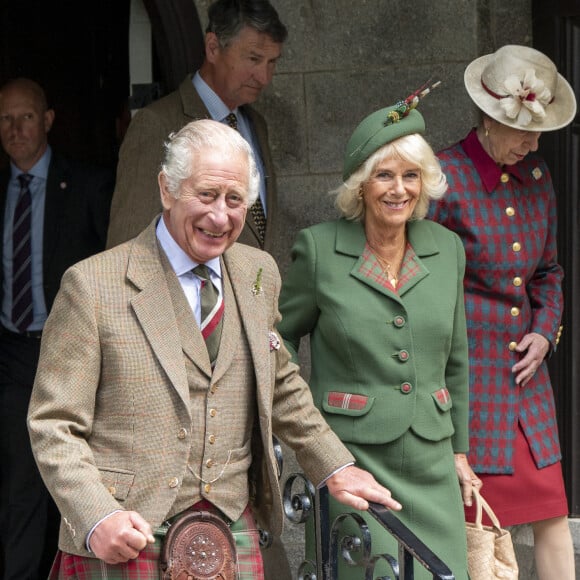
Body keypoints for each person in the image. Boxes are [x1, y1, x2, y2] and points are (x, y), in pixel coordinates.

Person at [27, 119, 402, 580]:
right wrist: (95, 516)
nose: (221, 217)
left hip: (230, 526)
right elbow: (53, 424)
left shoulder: (257, 272)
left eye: (235, 200)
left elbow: (279, 382)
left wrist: (333, 464)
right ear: (167, 189)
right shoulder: (91, 285)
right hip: (127, 532)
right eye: (206, 196)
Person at [277, 95, 480, 579]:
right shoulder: (320, 249)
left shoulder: (447, 249)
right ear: (361, 184)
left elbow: (456, 357)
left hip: (432, 461)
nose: (399, 189)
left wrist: (460, 451)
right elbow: (277, 343)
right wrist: (305, 435)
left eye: (411, 175)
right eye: (384, 175)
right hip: (353, 462)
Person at [427, 44, 577, 580]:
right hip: (471, 385)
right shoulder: (442, 177)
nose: (535, 144)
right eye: (525, 133)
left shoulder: (537, 178)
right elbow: (420, 285)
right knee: (481, 528)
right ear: (490, 119)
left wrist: (544, 332)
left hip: (527, 382)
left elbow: (548, 273)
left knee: (552, 511)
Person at [0, 77, 114, 580]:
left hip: (74, 354)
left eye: (26, 117)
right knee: (19, 489)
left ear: (48, 120)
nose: (15, 128)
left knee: (82, 481)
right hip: (12, 355)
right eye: (5, 119)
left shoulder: (88, 184)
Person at [106, 0, 286, 251]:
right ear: (213, 48)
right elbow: (128, 246)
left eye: (271, 62)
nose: (264, 77)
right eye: (254, 59)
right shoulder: (157, 124)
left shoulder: (255, 123)